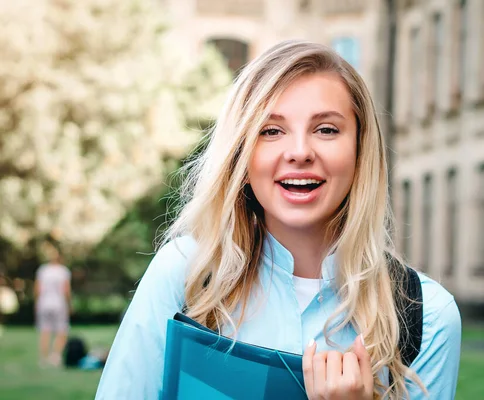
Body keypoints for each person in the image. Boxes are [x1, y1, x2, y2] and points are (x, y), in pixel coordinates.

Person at [95, 40, 461, 399]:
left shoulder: (426, 318)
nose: (300, 152)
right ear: (241, 152)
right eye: (271, 131)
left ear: (360, 149)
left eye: (326, 129)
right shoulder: (185, 277)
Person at [34, 251, 72, 367]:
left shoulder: (43, 270)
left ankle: (44, 357)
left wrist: (36, 303)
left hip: (44, 303)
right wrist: (69, 304)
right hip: (59, 304)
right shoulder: (63, 271)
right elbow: (66, 290)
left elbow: (37, 288)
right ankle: (55, 356)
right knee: (62, 331)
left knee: (45, 331)